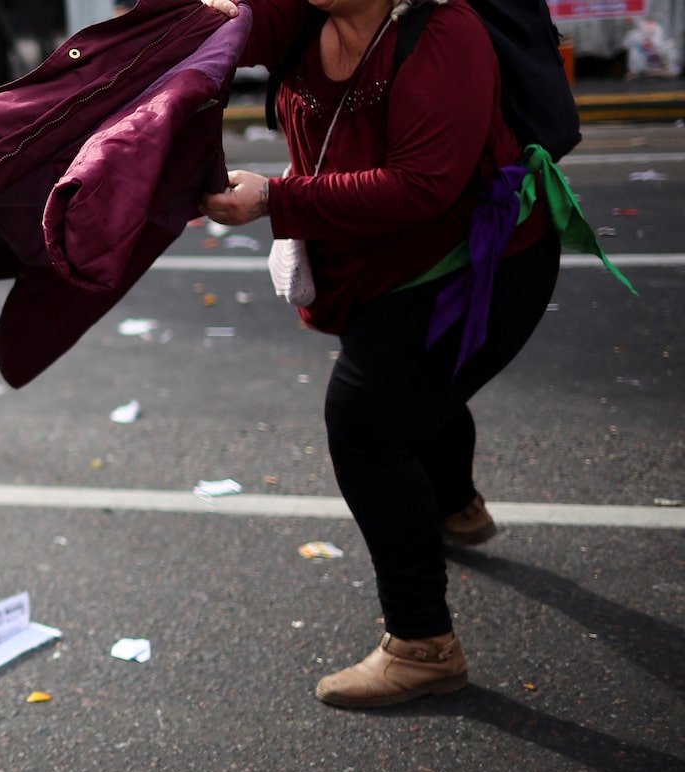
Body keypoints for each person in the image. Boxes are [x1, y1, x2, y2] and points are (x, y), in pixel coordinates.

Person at [197, 0, 585, 708]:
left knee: (367, 427)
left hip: (479, 269)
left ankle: (422, 646)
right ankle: (456, 509)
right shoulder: (304, 16)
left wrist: (273, 201)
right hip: (376, 266)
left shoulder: (445, 32)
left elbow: (422, 186)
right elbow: (219, 30)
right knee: (417, 399)